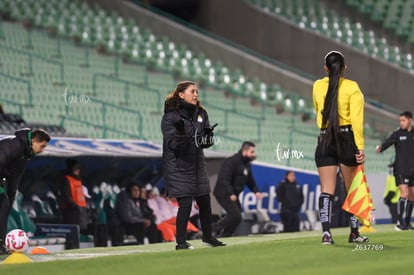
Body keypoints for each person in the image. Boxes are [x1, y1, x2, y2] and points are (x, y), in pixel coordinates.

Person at [161, 80, 225, 250]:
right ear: (181, 94)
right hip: (178, 167)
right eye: (192, 91)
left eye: (197, 91)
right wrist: (181, 133)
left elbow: (204, 144)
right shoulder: (170, 117)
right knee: (186, 205)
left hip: (197, 165)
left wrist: (209, 136)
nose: (196, 94)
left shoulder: (201, 113)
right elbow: (174, 146)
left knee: (205, 202)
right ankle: (180, 242)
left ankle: (208, 236)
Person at [313, 51, 368, 245]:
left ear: (325, 68)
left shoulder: (318, 85)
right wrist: (359, 147)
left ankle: (326, 233)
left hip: (324, 138)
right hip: (346, 138)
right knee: (351, 188)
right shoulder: (352, 87)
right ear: (344, 68)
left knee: (326, 190)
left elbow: (317, 111)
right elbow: (357, 120)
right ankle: (354, 233)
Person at [0, 128, 50, 254]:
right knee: (3, 206)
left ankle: (0, 245)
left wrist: (11, 195)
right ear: (33, 141)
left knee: (4, 207)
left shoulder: (25, 154)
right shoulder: (15, 146)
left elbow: (16, 176)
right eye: (42, 146)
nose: (42, 150)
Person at [213, 141, 262, 237]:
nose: (254, 154)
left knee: (237, 218)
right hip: (223, 192)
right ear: (245, 151)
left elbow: (250, 181)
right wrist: (230, 193)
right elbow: (224, 178)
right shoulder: (231, 161)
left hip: (233, 194)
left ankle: (226, 235)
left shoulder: (246, 164)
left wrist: (256, 191)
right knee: (235, 215)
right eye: (252, 152)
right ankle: (214, 229)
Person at [376, 111, 414, 230]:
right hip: (400, 169)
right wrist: (381, 148)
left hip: (412, 170)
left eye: (403, 120)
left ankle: (407, 223)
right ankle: (399, 222)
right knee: (404, 194)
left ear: (410, 120)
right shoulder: (398, 134)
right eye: (400, 120)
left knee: (412, 197)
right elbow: (388, 142)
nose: (401, 123)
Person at [60, 159, 89, 233]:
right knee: (73, 233)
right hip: (72, 213)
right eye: (75, 168)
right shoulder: (66, 180)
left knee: (81, 231)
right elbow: (66, 195)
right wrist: (75, 206)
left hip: (81, 210)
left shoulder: (78, 180)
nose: (78, 170)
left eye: (78, 168)